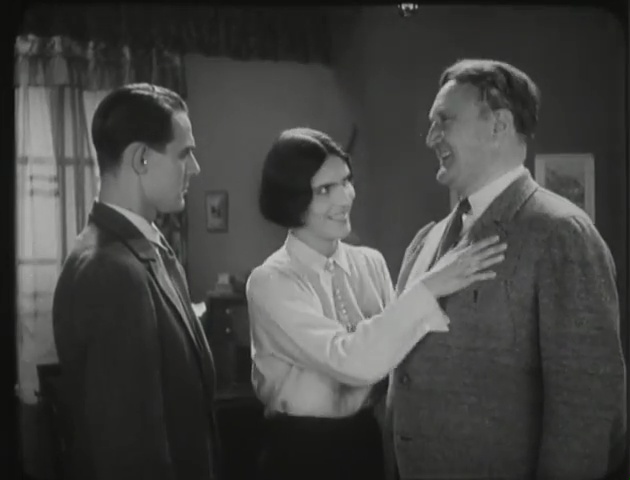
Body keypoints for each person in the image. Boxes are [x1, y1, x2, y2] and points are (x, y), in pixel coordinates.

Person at [387, 58, 627, 480]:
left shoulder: (561, 234)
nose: (430, 138)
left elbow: (585, 411)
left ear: (499, 125)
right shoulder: (426, 240)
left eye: (444, 121)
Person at [245, 127, 507, 480]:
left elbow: (395, 358)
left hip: (366, 440)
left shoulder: (370, 263)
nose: (345, 198)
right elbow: (351, 360)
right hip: (299, 452)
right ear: (291, 199)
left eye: (346, 181)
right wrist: (429, 286)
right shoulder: (271, 282)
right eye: (325, 189)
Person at [52, 83, 220, 480]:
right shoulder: (111, 271)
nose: (195, 168)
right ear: (141, 158)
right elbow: (129, 454)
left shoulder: (144, 248)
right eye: (184, 153)